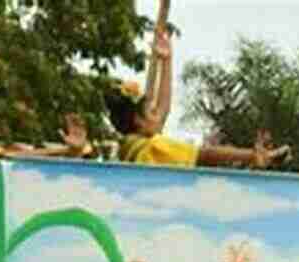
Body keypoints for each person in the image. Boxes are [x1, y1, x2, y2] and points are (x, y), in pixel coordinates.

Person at [106, 24, 287, 170]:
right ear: (139, 121)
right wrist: (252, 156)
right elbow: (202, 155)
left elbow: (163, 107)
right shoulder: (152, 148)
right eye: (151, 111)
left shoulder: (131, 147)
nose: (158, 113)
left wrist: (166, 61)